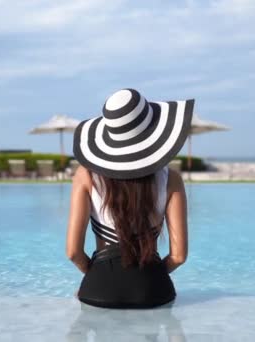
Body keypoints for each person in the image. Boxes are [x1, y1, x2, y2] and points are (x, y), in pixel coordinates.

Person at [66, 88, 194, 309]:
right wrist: (147, 279)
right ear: (152, 131)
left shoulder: (85, 175)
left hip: (99, 289)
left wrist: (97, 276)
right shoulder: (171, 179)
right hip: (153, 290)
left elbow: (73, 252)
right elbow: (179, 256)